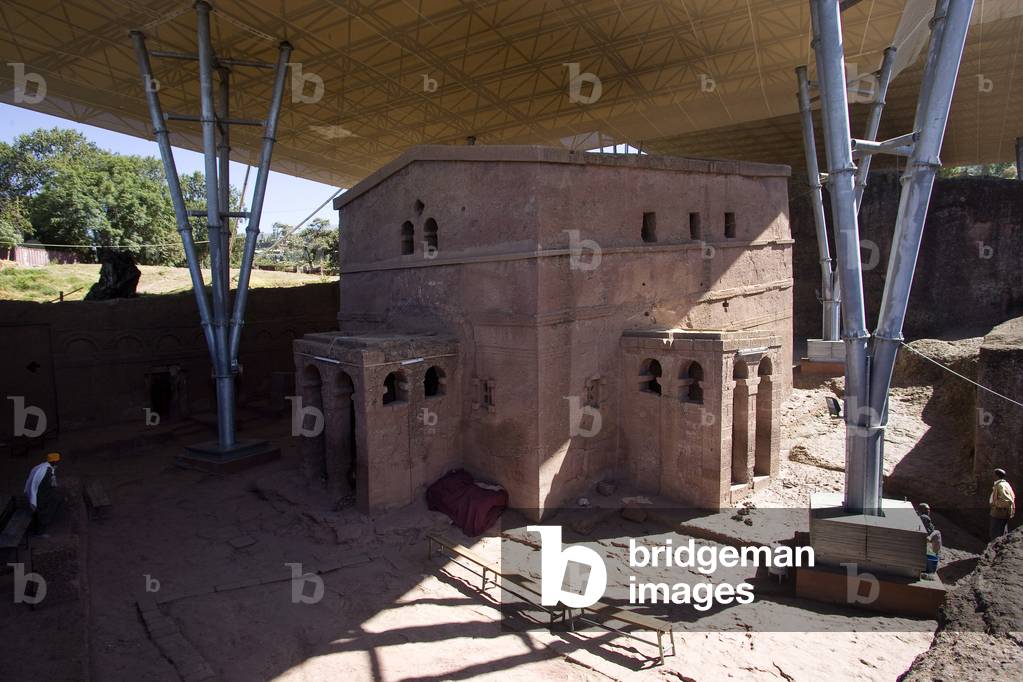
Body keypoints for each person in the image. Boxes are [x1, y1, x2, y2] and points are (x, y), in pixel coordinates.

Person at [24, 452, 62, 533]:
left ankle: (38, 526)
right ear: (54, 462)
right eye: (57, 461)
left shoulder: (42, 466)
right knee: (47, 509)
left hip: (37, 493)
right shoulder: (47, 472)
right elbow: (50, 485)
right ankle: (40, 530)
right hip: (41, 496)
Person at [989, 468, 1016, 540]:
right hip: (1003, 513)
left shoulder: (1001, 485)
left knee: (995, 532)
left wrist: (996, 504)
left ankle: (994, 549)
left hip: (998, 513)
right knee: (1002, 531)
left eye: (993, 474)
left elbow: (1007, 500)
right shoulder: (1005, 484)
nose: (992, 476)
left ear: (996, 476)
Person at [918, 503, 941, 575]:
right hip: (924, 536)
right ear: (922, 510)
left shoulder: (919, 515)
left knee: (936, 532)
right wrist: (931, 535)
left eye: (928, 509)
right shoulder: (924, 517)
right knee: (937, 533)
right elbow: (928, 530)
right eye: (926, 509)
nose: (928, 511)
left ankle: (936, 553)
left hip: (922, 534)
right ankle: (936, 553)